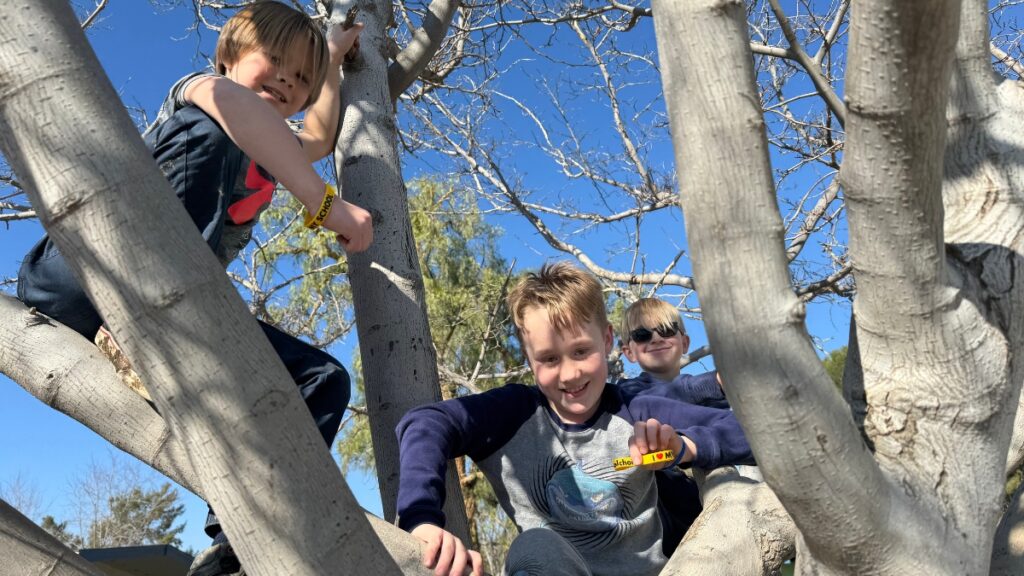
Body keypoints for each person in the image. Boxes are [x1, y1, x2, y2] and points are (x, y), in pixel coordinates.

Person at [16, 3, 367, 575]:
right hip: (78, 278)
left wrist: (328, 57)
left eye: (300, 78)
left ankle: (233, 544)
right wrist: (326, 205)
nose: (287, 79)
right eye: (274, 60)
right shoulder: (202, 93)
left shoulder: (275, 144)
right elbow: (236, 108)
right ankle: (145, 336)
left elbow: (321, 138)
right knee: (216, 134)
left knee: (323, 380)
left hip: (172, 322)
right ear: (228, 57)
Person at [395, 262, 753, 576]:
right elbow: (425, 423)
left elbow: (752, 430)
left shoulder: (634, 408)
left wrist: (684, 447)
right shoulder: (512, 414)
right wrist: (421, 520)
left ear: (608, 340)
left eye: (581, 351)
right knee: (536, 546)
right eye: (549, 359)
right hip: (551, 567)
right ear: (529, 358)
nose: (568, 374)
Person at [616, 297, 732, 554]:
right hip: (665, 535)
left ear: (685, 342)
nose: (656, 339)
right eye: (643, 335)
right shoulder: (627, 394)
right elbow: (666, 398)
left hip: (721, 515)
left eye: (667, 330)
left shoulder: (714, 400)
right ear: (629, 352)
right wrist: (715, 382)